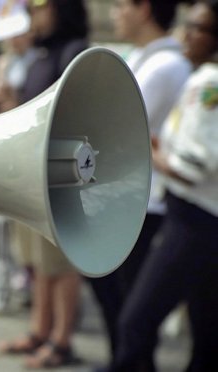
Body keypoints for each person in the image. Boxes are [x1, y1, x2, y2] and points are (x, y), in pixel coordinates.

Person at [108, 1, 218, 370]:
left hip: (195, 218)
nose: (187, 34)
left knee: (136, 320)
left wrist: (155, 155)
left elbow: (193, 167)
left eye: (199, 28)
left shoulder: (209, 82)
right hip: (196, 215)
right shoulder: (201, 76)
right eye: (189, 24)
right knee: (206, 332)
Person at [87, 0, 192, 364]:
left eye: (119, 5)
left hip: (144, 203)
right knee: (118, 298)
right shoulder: (145, 58)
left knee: (130, 306)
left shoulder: (164, 65)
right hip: (132, 198)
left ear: (144, 9)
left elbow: (112, 123)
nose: (114, 13)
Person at [0, 0, 90, 368]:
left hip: (57, 174)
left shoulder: (73, 52)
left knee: (60, 263)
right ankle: (40, 329)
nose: (33, 16)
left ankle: (62, 339)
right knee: (37, 261)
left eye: (40, 8)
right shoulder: (43, 52)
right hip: (32, 170)